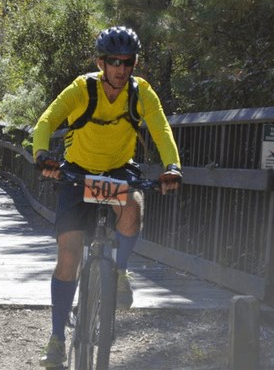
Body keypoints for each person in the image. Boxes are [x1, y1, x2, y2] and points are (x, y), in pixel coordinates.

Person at [32, 26, 183, 368]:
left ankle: (120, 273)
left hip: (117, 170)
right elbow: (46, 120)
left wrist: (173, 166)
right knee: (68, 256)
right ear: (100, 62)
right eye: (113, 61)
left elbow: (161, 129)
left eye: (127, 62)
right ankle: (57, 338)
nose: (120, 69)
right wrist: (42, 156)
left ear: (134, 63)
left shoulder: (141, 93)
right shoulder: (81, 89)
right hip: (76, 172)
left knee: (133, 205)